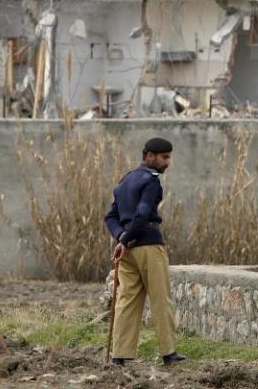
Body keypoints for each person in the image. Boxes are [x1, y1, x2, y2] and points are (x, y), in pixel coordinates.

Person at [104, 137, 187, 367]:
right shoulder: (151, 182)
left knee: (127, 300)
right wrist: (128, 237)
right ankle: (169, 354)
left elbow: (110, 217)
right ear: (149, 156)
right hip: (149, 246)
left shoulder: (125, 181)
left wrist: (122, 238)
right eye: (164, 157)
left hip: (128, 251)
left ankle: (119, 354)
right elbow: (142, 215)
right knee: (161, 298)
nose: (168, 162)